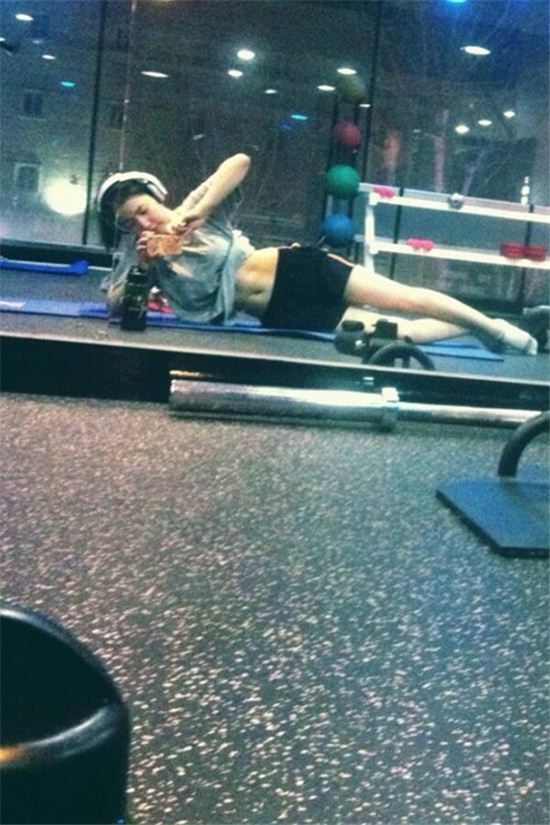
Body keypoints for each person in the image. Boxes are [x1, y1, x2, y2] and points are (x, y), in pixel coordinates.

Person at [97, 153, 538, 354]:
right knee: (397, 334)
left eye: (142, 210)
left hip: (300, 270)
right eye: (129, 223)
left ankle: (493, 328)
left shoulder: (195, 213)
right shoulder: (146, 258)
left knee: (405, 298)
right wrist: (143, 269)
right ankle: (483, 327)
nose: (142, 223)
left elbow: (239, 162)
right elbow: (115, 306)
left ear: (156, 196)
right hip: (284, 312)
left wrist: (199, 211)